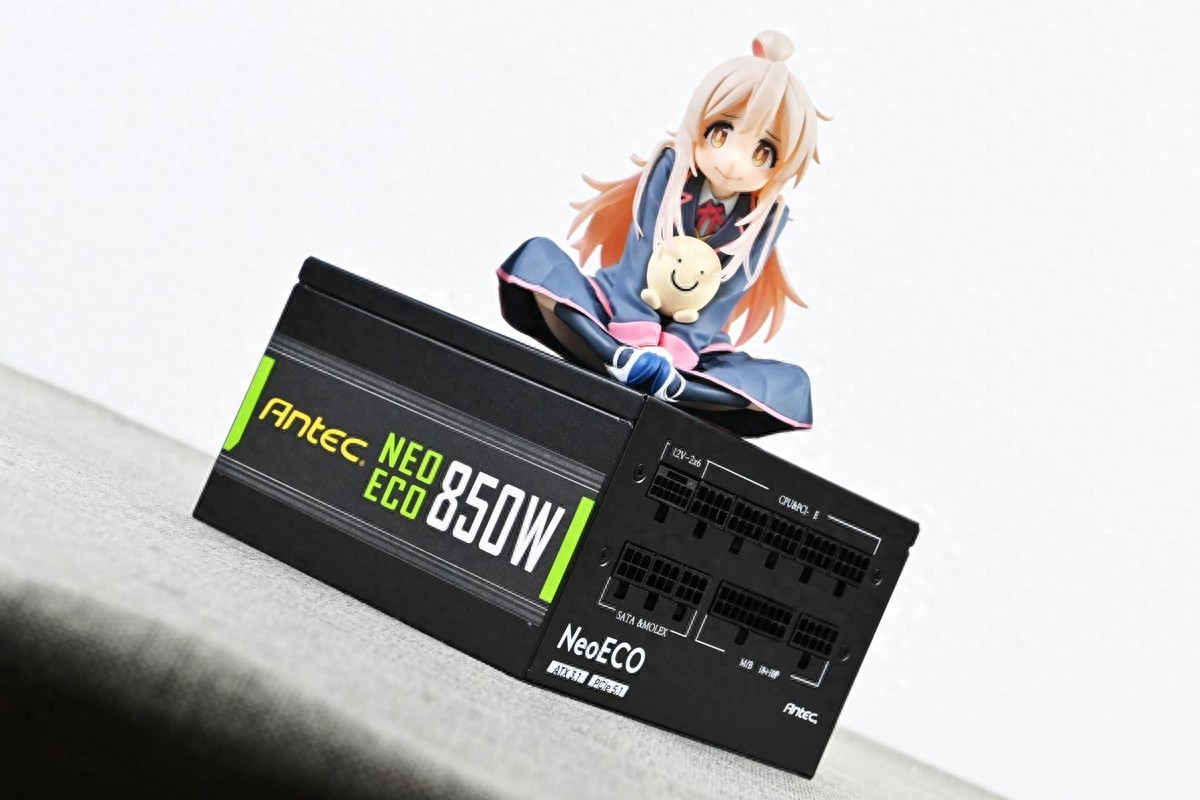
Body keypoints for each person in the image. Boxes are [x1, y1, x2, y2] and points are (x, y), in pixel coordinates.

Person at [497, 31, 828, 437]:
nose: (732, 162)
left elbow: (729, 291)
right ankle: (623, 359)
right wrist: (635, 333)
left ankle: (668, 381)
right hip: (620, 307)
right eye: (721, 133)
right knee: (537, 258)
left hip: (693, 343)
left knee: (792, 384)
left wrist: (679, 350)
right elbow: (641, 247)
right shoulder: (670, 168)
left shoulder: (768, 216)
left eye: (762, 152)